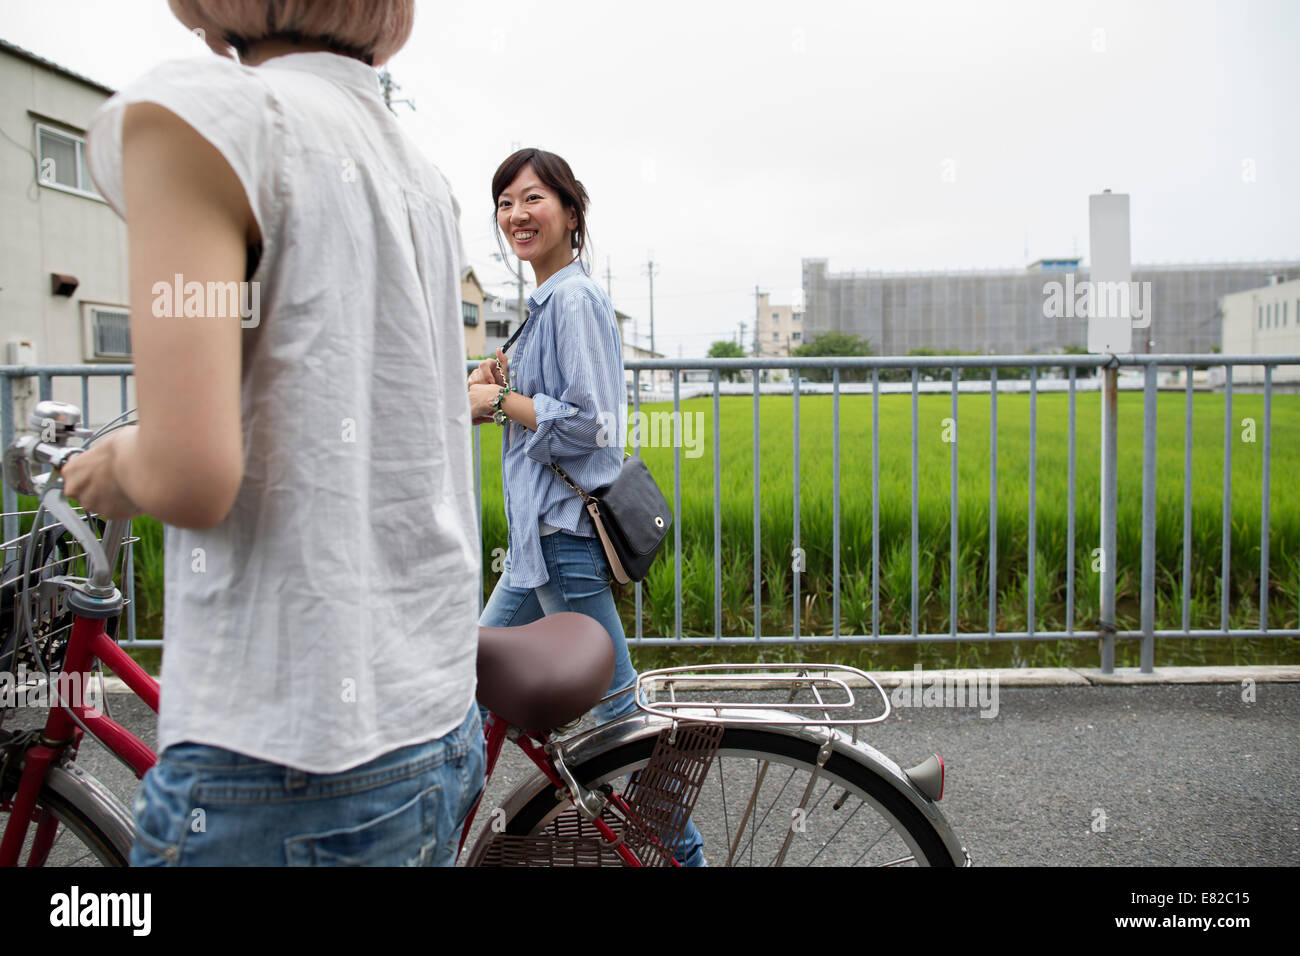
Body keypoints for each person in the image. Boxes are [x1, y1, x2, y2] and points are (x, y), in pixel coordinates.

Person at [62, 0, 485, 865]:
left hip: (282, 757)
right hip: (437, 732)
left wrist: (112, 465)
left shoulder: (208, 116)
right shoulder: (421, 176)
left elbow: (189, 471)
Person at [467, 148, 706, 866]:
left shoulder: (572, 299)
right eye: (506, 202)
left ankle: (683, 857)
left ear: (572, 212)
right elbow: (547, 407)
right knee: (468, 690)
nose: (517, 214)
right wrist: (498, 391)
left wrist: (502, 402)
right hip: (538, 546)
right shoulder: (544, 303)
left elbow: (594, 423)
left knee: (620, 724)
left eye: (533, 198)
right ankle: (441, 841)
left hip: (564, 540)